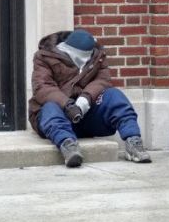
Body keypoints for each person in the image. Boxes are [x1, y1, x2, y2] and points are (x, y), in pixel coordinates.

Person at [28, 29, 151, 167]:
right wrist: (67, 105)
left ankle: (133, 141)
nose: (83, 61)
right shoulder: (44, 57)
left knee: (114, 95)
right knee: (50, 107)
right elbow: (42, 87)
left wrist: (84, 100)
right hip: (57, 114)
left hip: (85, 114)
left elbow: (103, 81)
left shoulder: (97, 56)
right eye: (79, 58)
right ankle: (68, 145)